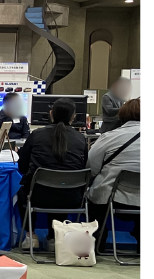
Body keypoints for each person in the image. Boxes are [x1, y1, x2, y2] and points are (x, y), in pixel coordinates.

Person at [16, 98, 89, 247]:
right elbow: (85, 166)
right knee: (61, 187)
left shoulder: (36, 135)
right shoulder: (81, 139)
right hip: (72, 197)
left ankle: (31, 236)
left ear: (51, 113)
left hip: (38, 196)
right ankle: (54, 237)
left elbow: (22, 167)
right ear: (73, 116)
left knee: (24, 193)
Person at [88, 97, 141, 243]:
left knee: (92, 200)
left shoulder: (108, 137)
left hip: (110, 198)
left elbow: (91, 169)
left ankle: (98, 242)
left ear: (122, 115)